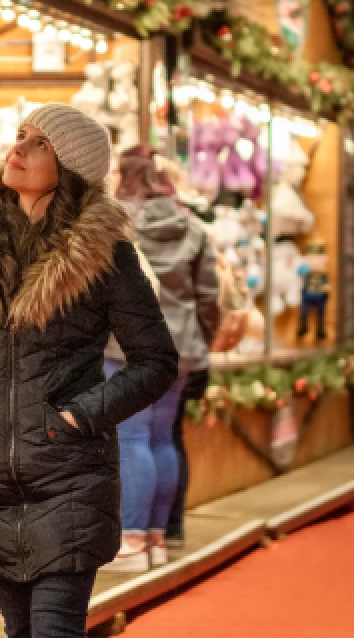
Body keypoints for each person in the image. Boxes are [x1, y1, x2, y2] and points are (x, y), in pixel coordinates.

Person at [0, 105, 179, 638]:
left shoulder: (104, 254)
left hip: (70, 477)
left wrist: (79, 418)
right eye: (20, 136)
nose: (18, 149)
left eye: (39, 143)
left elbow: (156, 362)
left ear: (70, 168)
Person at [105, 147, 221, 571]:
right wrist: (197, 340)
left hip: (127, 348)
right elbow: (210, 296)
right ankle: (156, 537)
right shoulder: (191, 226)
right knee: (161, 438)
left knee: (131, 439)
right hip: (181, 349)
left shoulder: (115, 224)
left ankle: (131, 542)